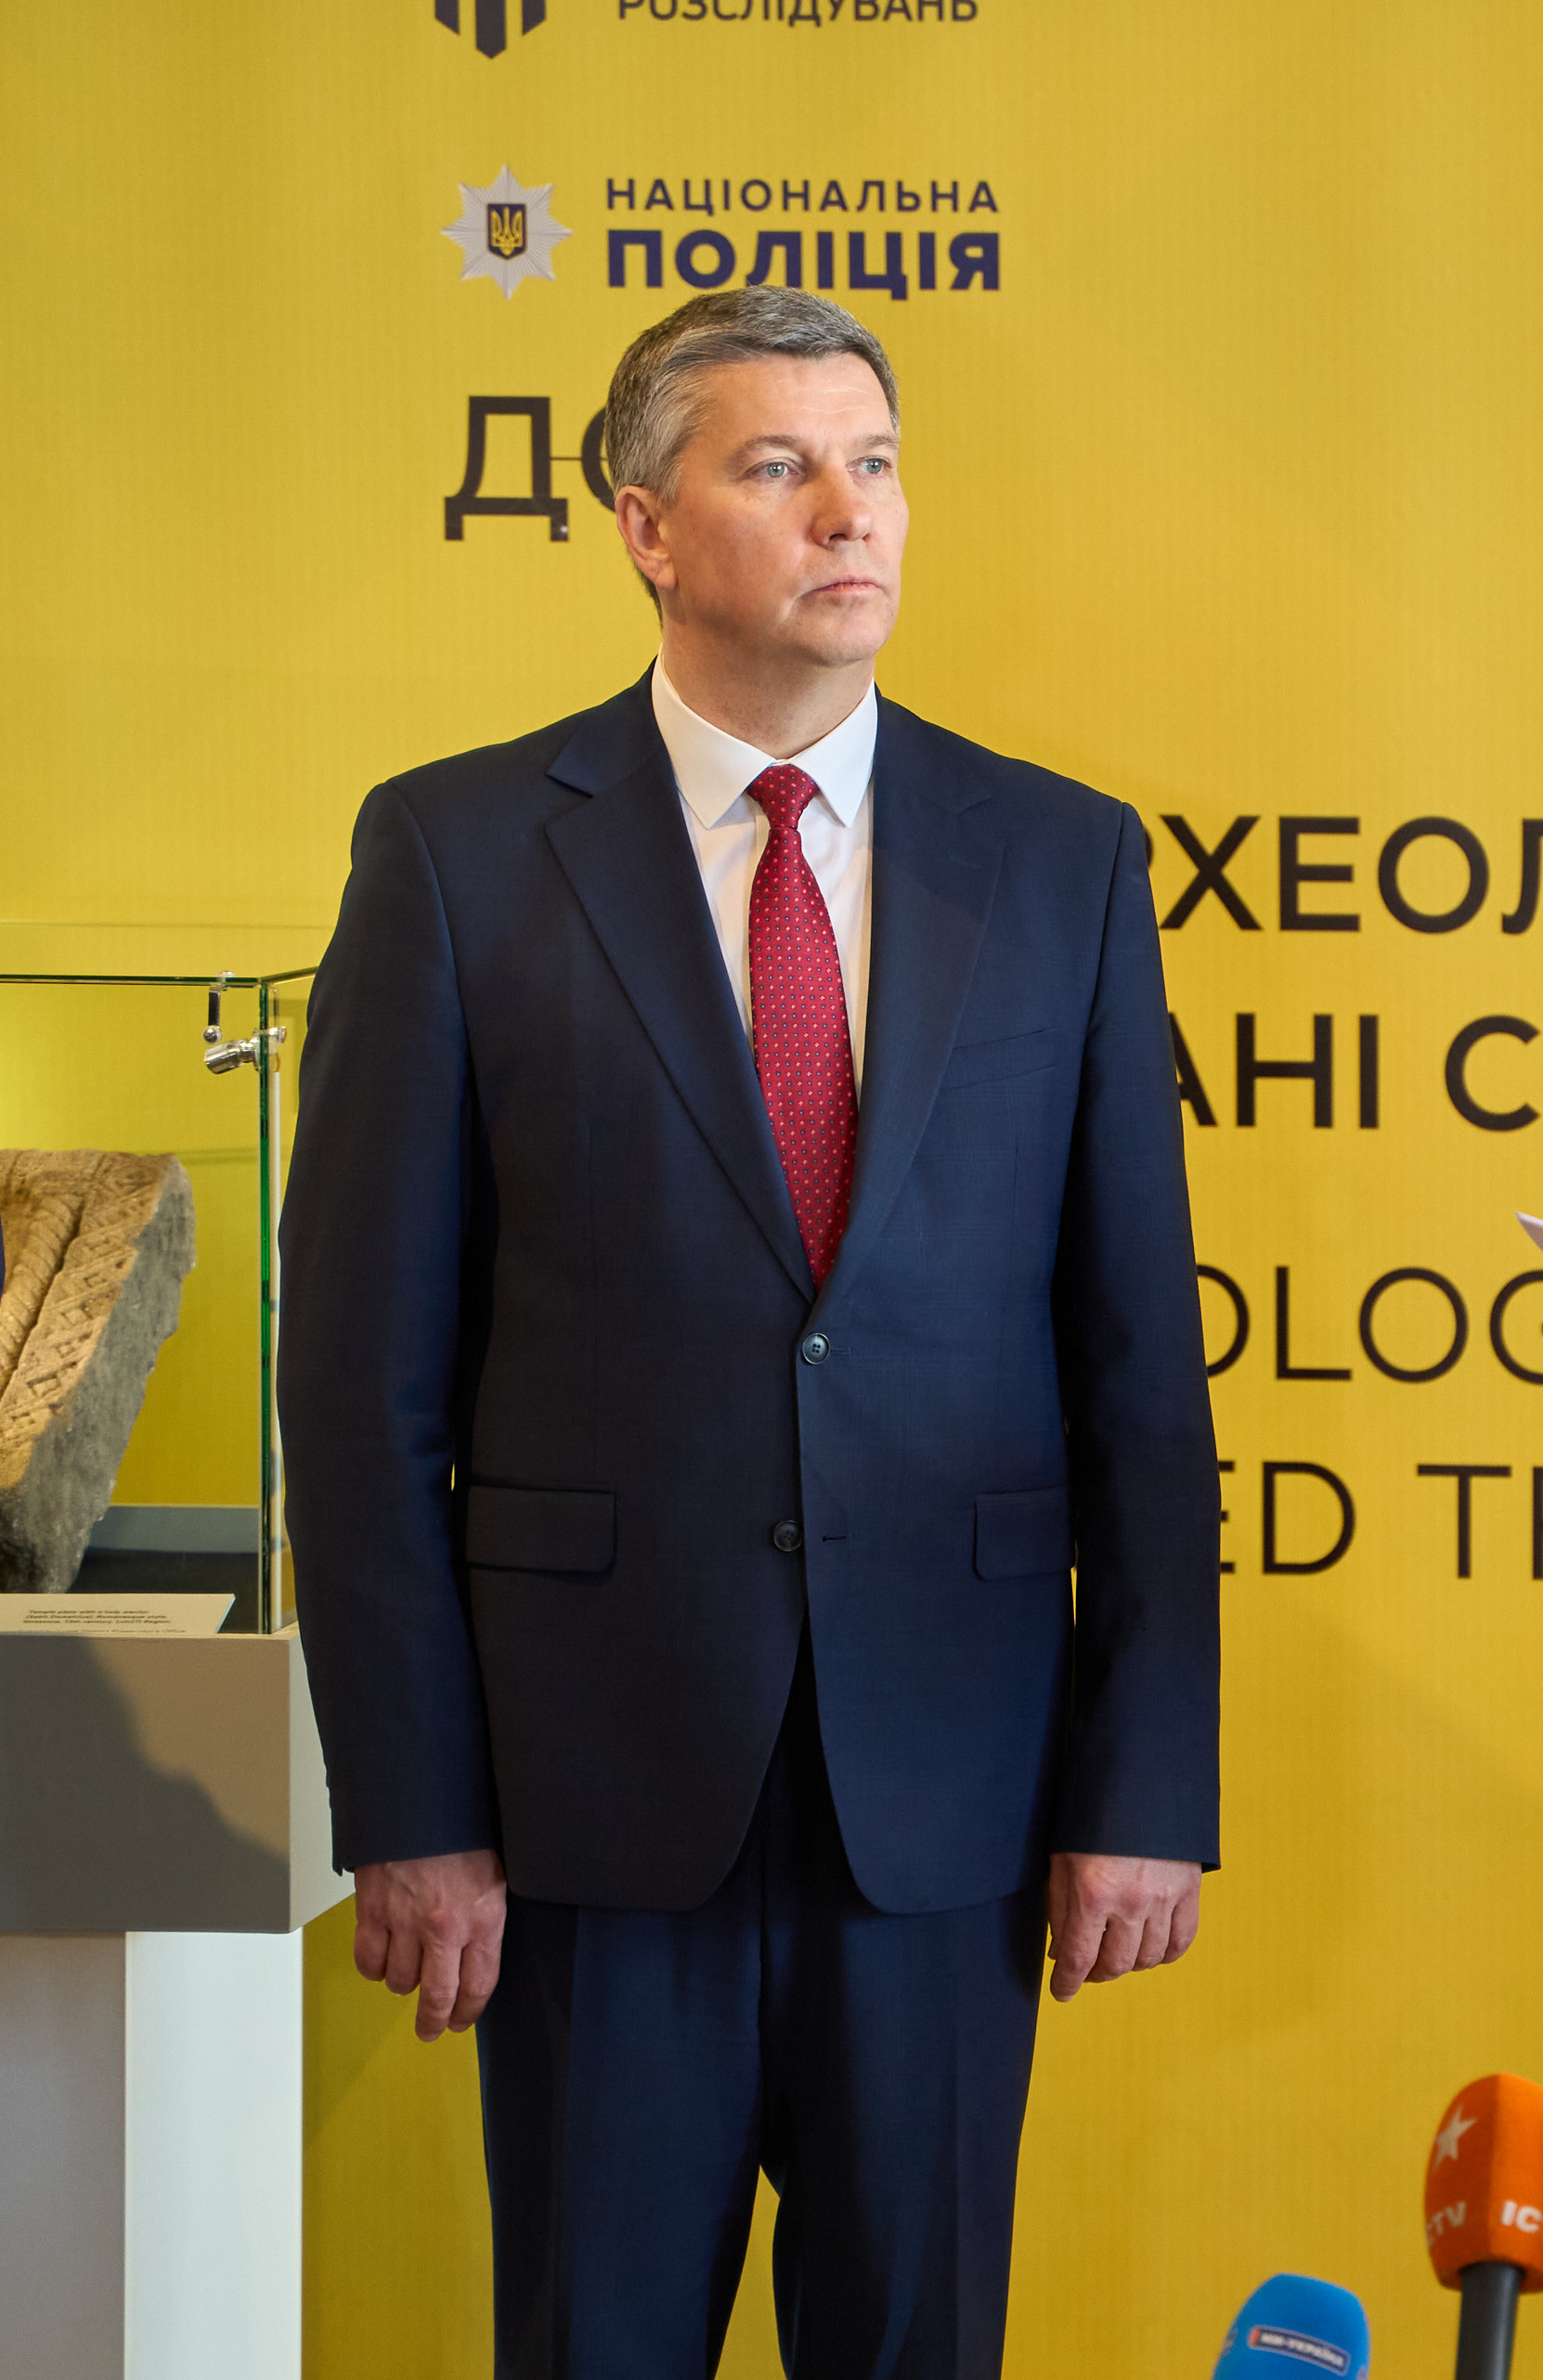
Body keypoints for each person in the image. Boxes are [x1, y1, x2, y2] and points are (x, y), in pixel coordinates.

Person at [281, 288, 1218, 2380]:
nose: (848, 513)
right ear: (645, 525)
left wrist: (1146, 1778)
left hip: (948, 1806)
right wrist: (413, 1806)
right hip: (590, 1810)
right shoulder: (455, 853)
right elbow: (357, 1392)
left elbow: (1140, 1372)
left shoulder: (1060, 860)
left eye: (872, 465)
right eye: (779, 467)